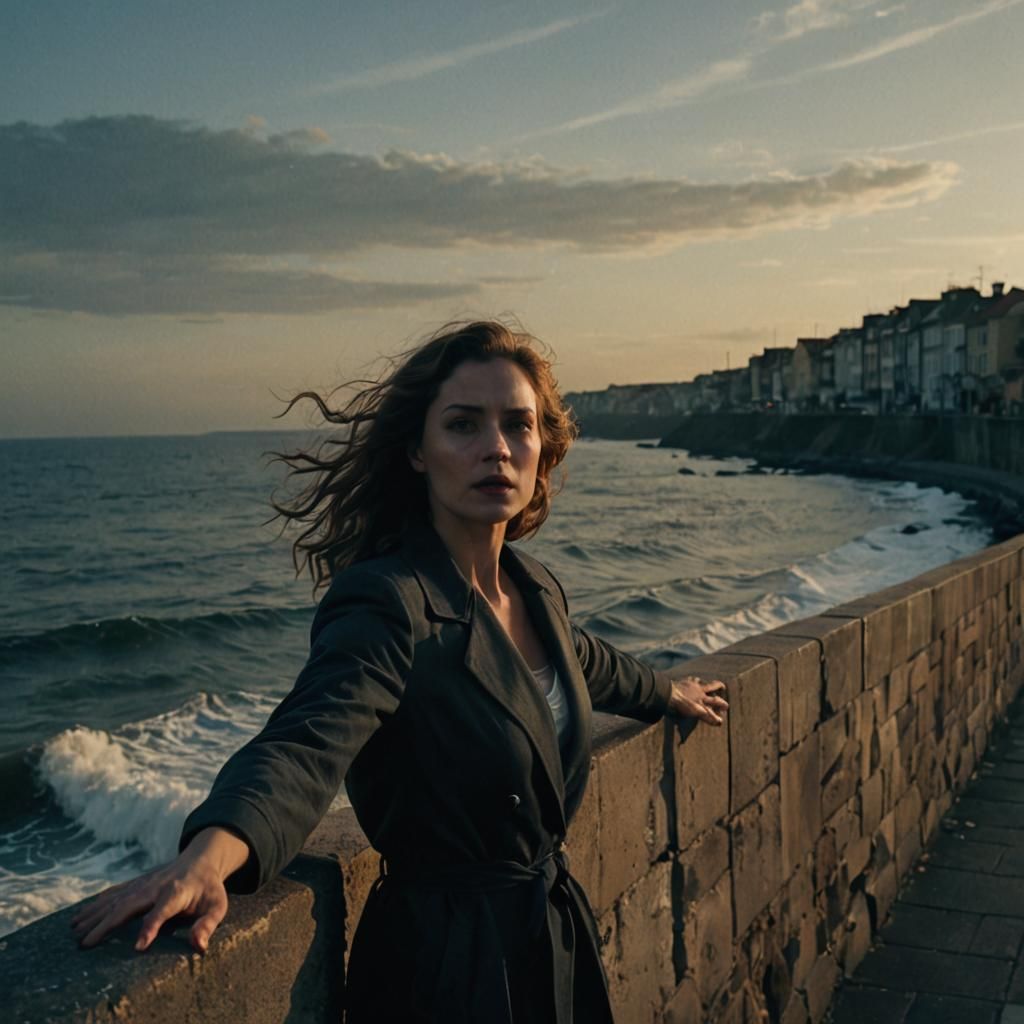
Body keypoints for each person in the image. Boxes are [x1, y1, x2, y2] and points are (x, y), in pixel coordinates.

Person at [71, 321, 728, 1023]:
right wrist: (212, 852)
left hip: (549, 936)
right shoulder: (386, 601)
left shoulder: (534, 589)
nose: (496, 448)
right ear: (417, 450)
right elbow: (308, 739)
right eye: (464, 425)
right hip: (445, 966)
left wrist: (667, 692)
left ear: (544, 448)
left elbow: (586, 662)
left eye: (518, 425)